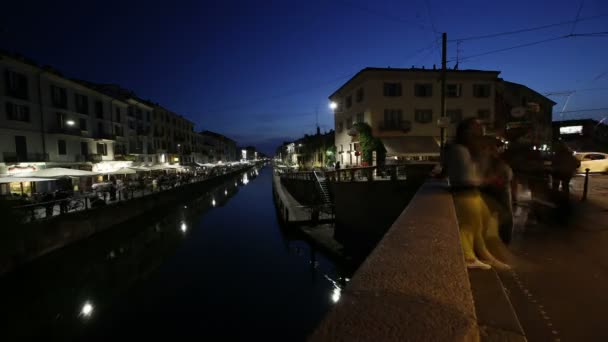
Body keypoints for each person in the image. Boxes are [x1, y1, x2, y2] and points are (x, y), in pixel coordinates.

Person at [446, 118, 509, 270]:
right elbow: (466, 178)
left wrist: (486, 155)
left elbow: (472, 174)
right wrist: (488, 179)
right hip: (464, 194)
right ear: (468, 132)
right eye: (477, 130)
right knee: (469, 225)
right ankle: (468, 257)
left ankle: (485, 255)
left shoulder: (464, 149)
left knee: (480, 225)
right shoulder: (459, 150)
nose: (481, 132)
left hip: (471, 193)